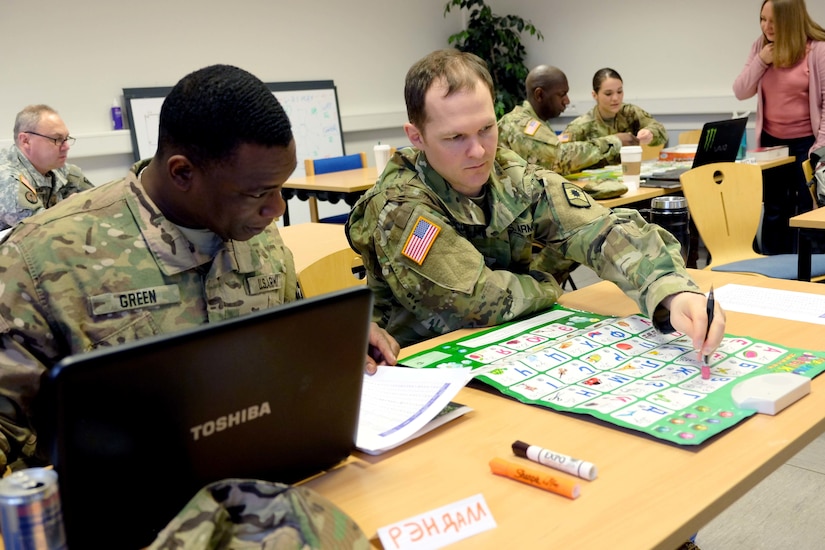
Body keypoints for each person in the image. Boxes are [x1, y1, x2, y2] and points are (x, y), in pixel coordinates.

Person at [0, 64, 399, 472]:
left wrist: (332, 339)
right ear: (182, 173)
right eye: (258, 193)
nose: (278, 209)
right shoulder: (42, 258)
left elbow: (281, 343)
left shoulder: (254, 231)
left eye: (279, 187)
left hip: (267, 476)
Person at [346, 48, 724, 355]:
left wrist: (671, 290)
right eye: (455, 137)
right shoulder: (400, 208)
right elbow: (475, 304)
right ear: (416, 136)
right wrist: (546, 285)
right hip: (427, 367)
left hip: (510, 347)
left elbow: (597, 228)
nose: (478, 151)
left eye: (486, 129)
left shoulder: (509, 174)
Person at [733, 0, 825, 254]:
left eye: (773, 20)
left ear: (791, 19)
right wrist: (761, 60)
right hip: (772, 144)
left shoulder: (817, 49)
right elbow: (741, 91)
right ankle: (771, 270)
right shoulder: (761, 47)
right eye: (762, 19)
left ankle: (813, 274)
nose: (766, 26)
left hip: (808, 143)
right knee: (774, 209)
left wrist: (819, 148)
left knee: (809, 208)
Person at [498, 65, 636, 174]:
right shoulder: (521, 125)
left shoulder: (537, 123)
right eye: (561, 94)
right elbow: (562, 157)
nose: (567, 101)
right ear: (539, 95)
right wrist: (614, 141)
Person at [0, 105, 94, 230]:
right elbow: (39, 228)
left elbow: (101, 205)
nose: (66, 147)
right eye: (57, 139)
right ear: (26, 141)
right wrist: (69, 208)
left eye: (66, 139)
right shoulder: (6, 177)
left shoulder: (63, 170)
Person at [564, 68, 668, 148]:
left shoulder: (629, 113)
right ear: (595, 95)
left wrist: (650, 133)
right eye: (608, 94)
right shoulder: (581, 126)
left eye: (619, 91)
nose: (615, 98)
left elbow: (661, 131)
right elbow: (560, 156)